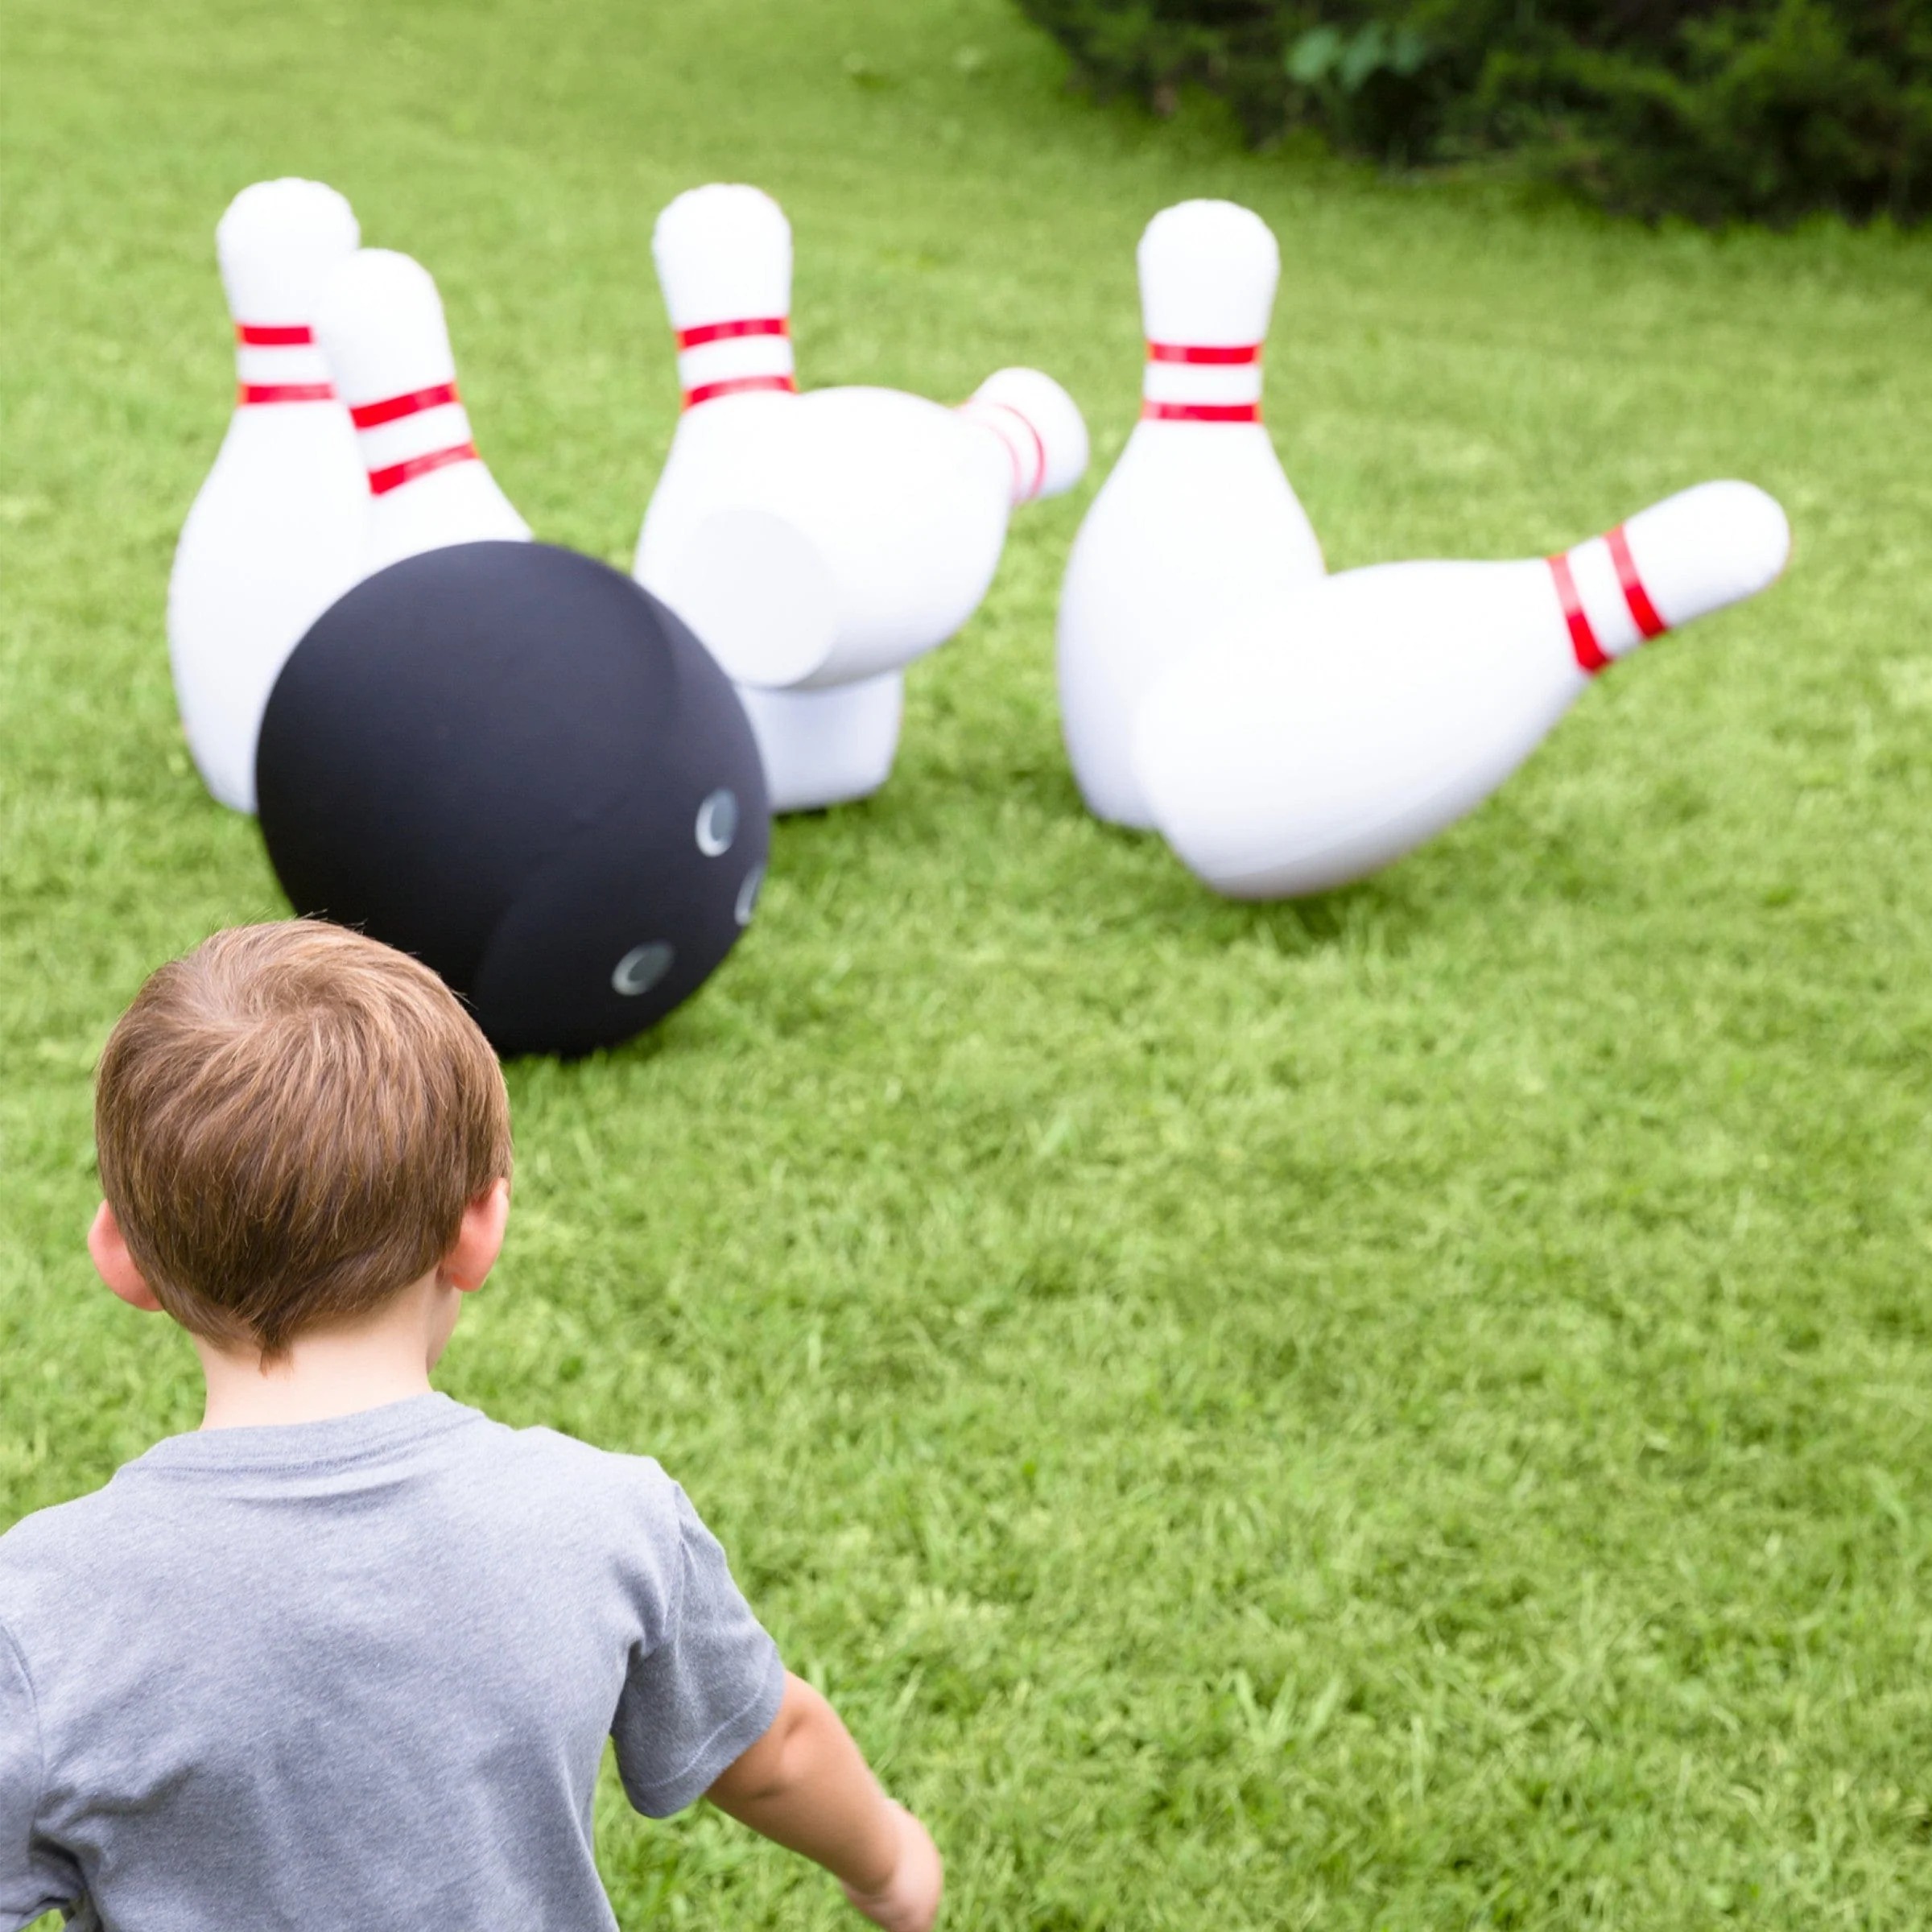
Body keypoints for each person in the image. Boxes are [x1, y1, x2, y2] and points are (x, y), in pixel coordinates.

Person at [0, 921, 942, 1932]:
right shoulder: (605, 1521)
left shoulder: (40, 1614)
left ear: (121, 1254)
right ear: (479, 1228)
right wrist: (887, 1863)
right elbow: (777, 1749)